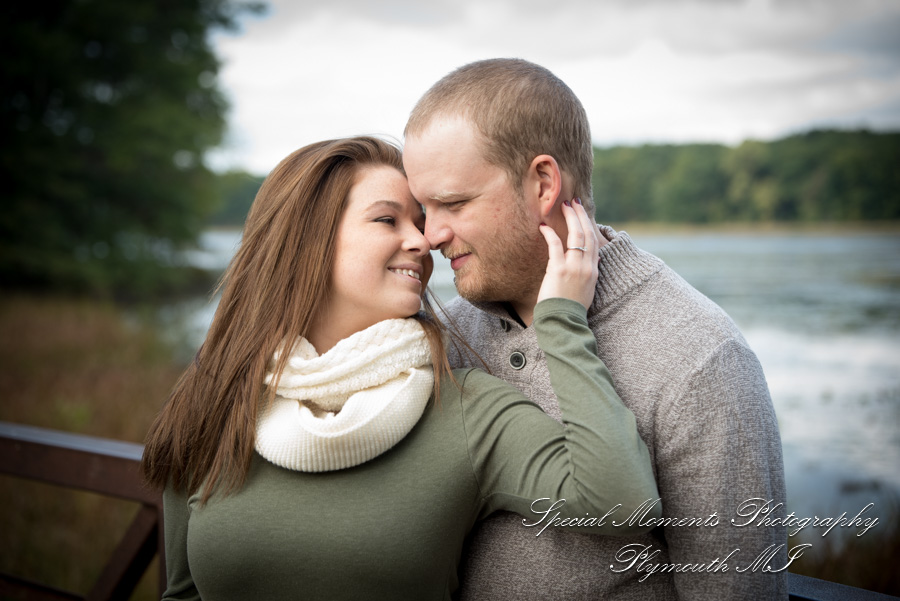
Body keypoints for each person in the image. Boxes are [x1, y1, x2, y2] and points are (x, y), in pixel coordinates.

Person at [141, 136, 661, 600]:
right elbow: (182, 592)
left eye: (420, 222)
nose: (424, 240)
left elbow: (622, 501)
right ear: (306, 240)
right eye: (388, 219)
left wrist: (562, 321)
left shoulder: (465, 408)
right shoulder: (220, 391)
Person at [402, 59, 788, 600]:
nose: (431, 234)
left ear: (543, 183)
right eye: (423, 207)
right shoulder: (452, 328)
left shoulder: (700, 355)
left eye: (454, 203)